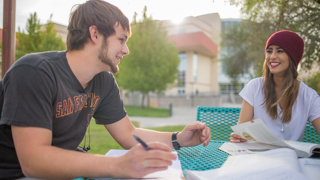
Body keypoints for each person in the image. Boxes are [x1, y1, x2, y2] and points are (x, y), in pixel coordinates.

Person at [0, 0, 211, 179]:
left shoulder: (103, 81)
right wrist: (116, 166)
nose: (126, 50)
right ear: (95, 34)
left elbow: (129, 134)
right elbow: (33, 162)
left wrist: (177, 138)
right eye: (121, 40)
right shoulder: (33, 72)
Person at [230, 30, 320, 143]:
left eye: (280, 51)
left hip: (291, 158)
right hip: (257, 157)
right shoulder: (254, 87)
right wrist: (237, 138)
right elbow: (241, 133)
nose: (272, 56)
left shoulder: (309, 97)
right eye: (269, 51)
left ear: (292, 58)